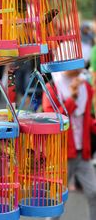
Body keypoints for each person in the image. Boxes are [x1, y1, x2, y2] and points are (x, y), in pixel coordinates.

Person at [42, 69, 96, 220]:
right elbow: (52, 121)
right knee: (57, 202)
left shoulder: (86, 87)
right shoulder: (52, 88)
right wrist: (72, 98)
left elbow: (86, 120)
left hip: (83, 152)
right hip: (62, 155)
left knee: (94, 193)